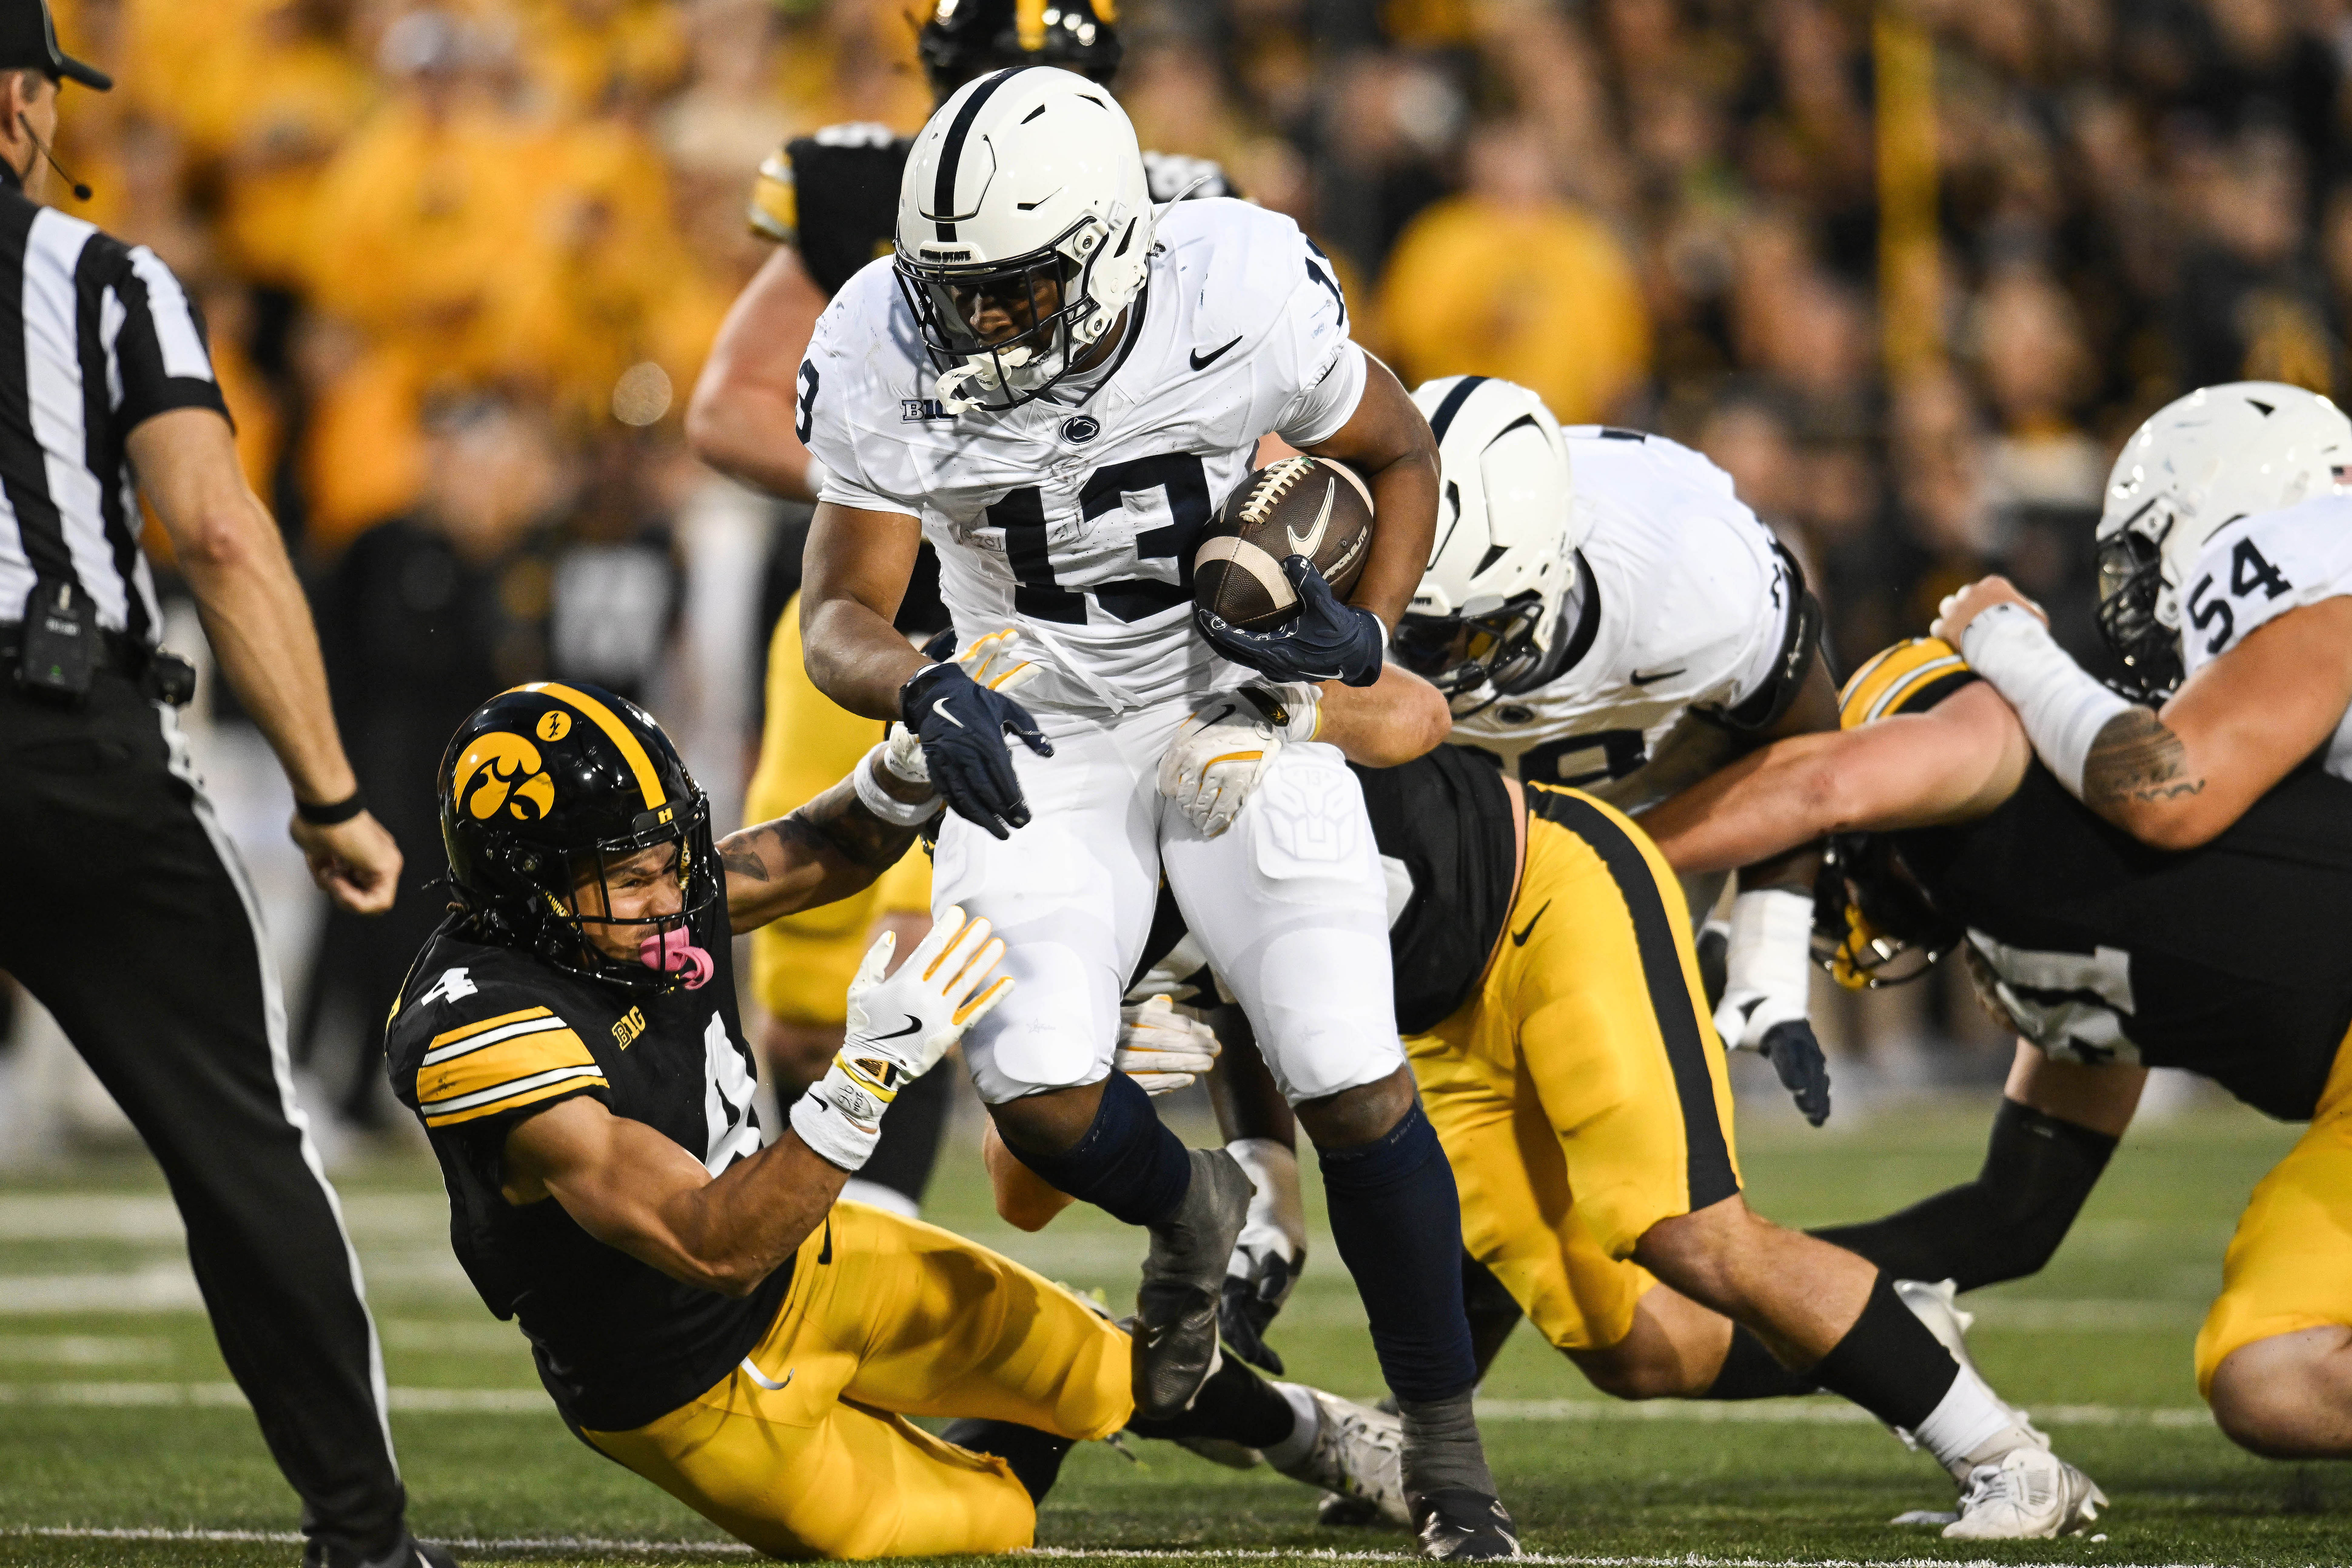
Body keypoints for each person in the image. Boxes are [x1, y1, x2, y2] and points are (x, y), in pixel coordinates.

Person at [796, 66, 1514, 1557]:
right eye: (951, 290)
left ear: (1115, 250)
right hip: (1034, 719)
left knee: (1339, 1054)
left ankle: (1450, 1460)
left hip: (1229, 704)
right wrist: (917, 686)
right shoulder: (878, 336)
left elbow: (1396, 451)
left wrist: (1360, 640)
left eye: (1011, 289)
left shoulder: (1237, 287)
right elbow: (837, 611)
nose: (970, 323)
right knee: (1039, 1088)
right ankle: (1192, 1211)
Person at [999, 729, 2108, 1540]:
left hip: (1542, 896)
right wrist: (1128, 1096)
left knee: (1679, 1229)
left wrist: (1296, 681)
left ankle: (2005, 1458)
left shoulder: (1178, 748)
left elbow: (1401, 715)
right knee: (1631, 1347)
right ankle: (1892, 1338)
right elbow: (1028, 1166)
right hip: (1420, 1017)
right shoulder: (1048, 896)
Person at [384, 681, 1400, 1557]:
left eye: (666, 857)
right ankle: (1007, 1432)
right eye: (630, 877)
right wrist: (863, 1077)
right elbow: (711, 1243)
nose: (669, 895)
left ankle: (1315, 1435)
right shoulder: (484, 1029)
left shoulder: (623, 899)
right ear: (528, 894)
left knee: (1098, 1366)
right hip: (685, 1382)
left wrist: (907, 765)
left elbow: (821, 845)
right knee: (990, 1517)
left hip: (810, 1255)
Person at [0, 8, 448, 1566]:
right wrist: (331, 794)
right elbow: (223, 532)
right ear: (15, 106)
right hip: (67, 732)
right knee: (239, 1143)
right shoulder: (105, 278)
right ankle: (362, 1534)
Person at [689, 0, 1231, 1221]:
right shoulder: (857, 191)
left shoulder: (1173, 210)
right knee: (796, 1000)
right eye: (996, 73)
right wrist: (914, 488)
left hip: (1047, 639)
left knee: (918, 941)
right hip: (867, 618)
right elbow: (727, 410)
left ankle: (877, 1237)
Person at [1184, 378, 1841, 1383]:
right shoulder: (1349, 558)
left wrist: (1764, 944)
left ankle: (1890, 1328)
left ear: (1530, 590)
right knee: (1514, 1213)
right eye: (1402, 626)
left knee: (1679, 1231)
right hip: (1509, 829)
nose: (1421, 661)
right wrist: (1266, 1176)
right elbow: (1245, 890)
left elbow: (1806, 745)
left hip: (1648, 778)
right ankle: (1425, 1434)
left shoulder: (1687, 578)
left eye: (1448, 641)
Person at [1641, 632, 2352, 1461]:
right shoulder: (2023, 935)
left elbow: (1819, 782)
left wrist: (1584, 863)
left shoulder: (1983, 732)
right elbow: (2009, 1217)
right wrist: (1734, 1297)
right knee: (2271, 1381)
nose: (1801, 887)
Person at [1926, 380, 2352, 855]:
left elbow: (2166, 790)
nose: (2141, 599)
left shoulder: (2308, 547)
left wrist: (2003, 639)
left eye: (2148, 551)